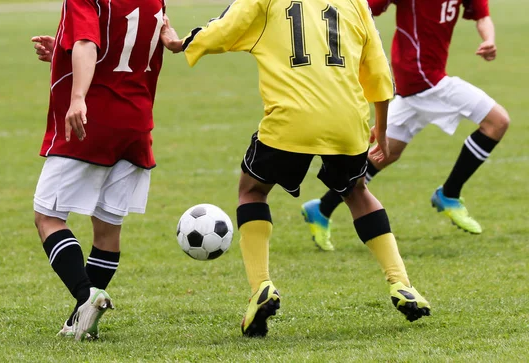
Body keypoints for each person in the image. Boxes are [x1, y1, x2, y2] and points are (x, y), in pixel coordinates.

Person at [160, 0, 431, 337]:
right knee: (357, 191)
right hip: (347, 120)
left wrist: (181, 42)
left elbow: (225, 28)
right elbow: (377, 68)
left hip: (291, 120)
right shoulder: (356, 3)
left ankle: (261, 286)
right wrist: (384, 130)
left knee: (252, 190)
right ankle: (401, 283)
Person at [302, 0, 510, 251]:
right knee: (497, 122)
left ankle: (322, 208)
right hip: (423, 77)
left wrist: (489, 40)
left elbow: (482, 16)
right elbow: (365, 8)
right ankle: (450, 194)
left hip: (418, 81)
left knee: (385, 153)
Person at [31, 0, 165, 340]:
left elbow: (88, 43)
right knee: (107, 230)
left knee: (47, 217)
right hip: (136, 121)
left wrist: (78, 96)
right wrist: (62, 51)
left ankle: (85, 295)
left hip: (95, 120)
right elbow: (126, 45)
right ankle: (81, 322)